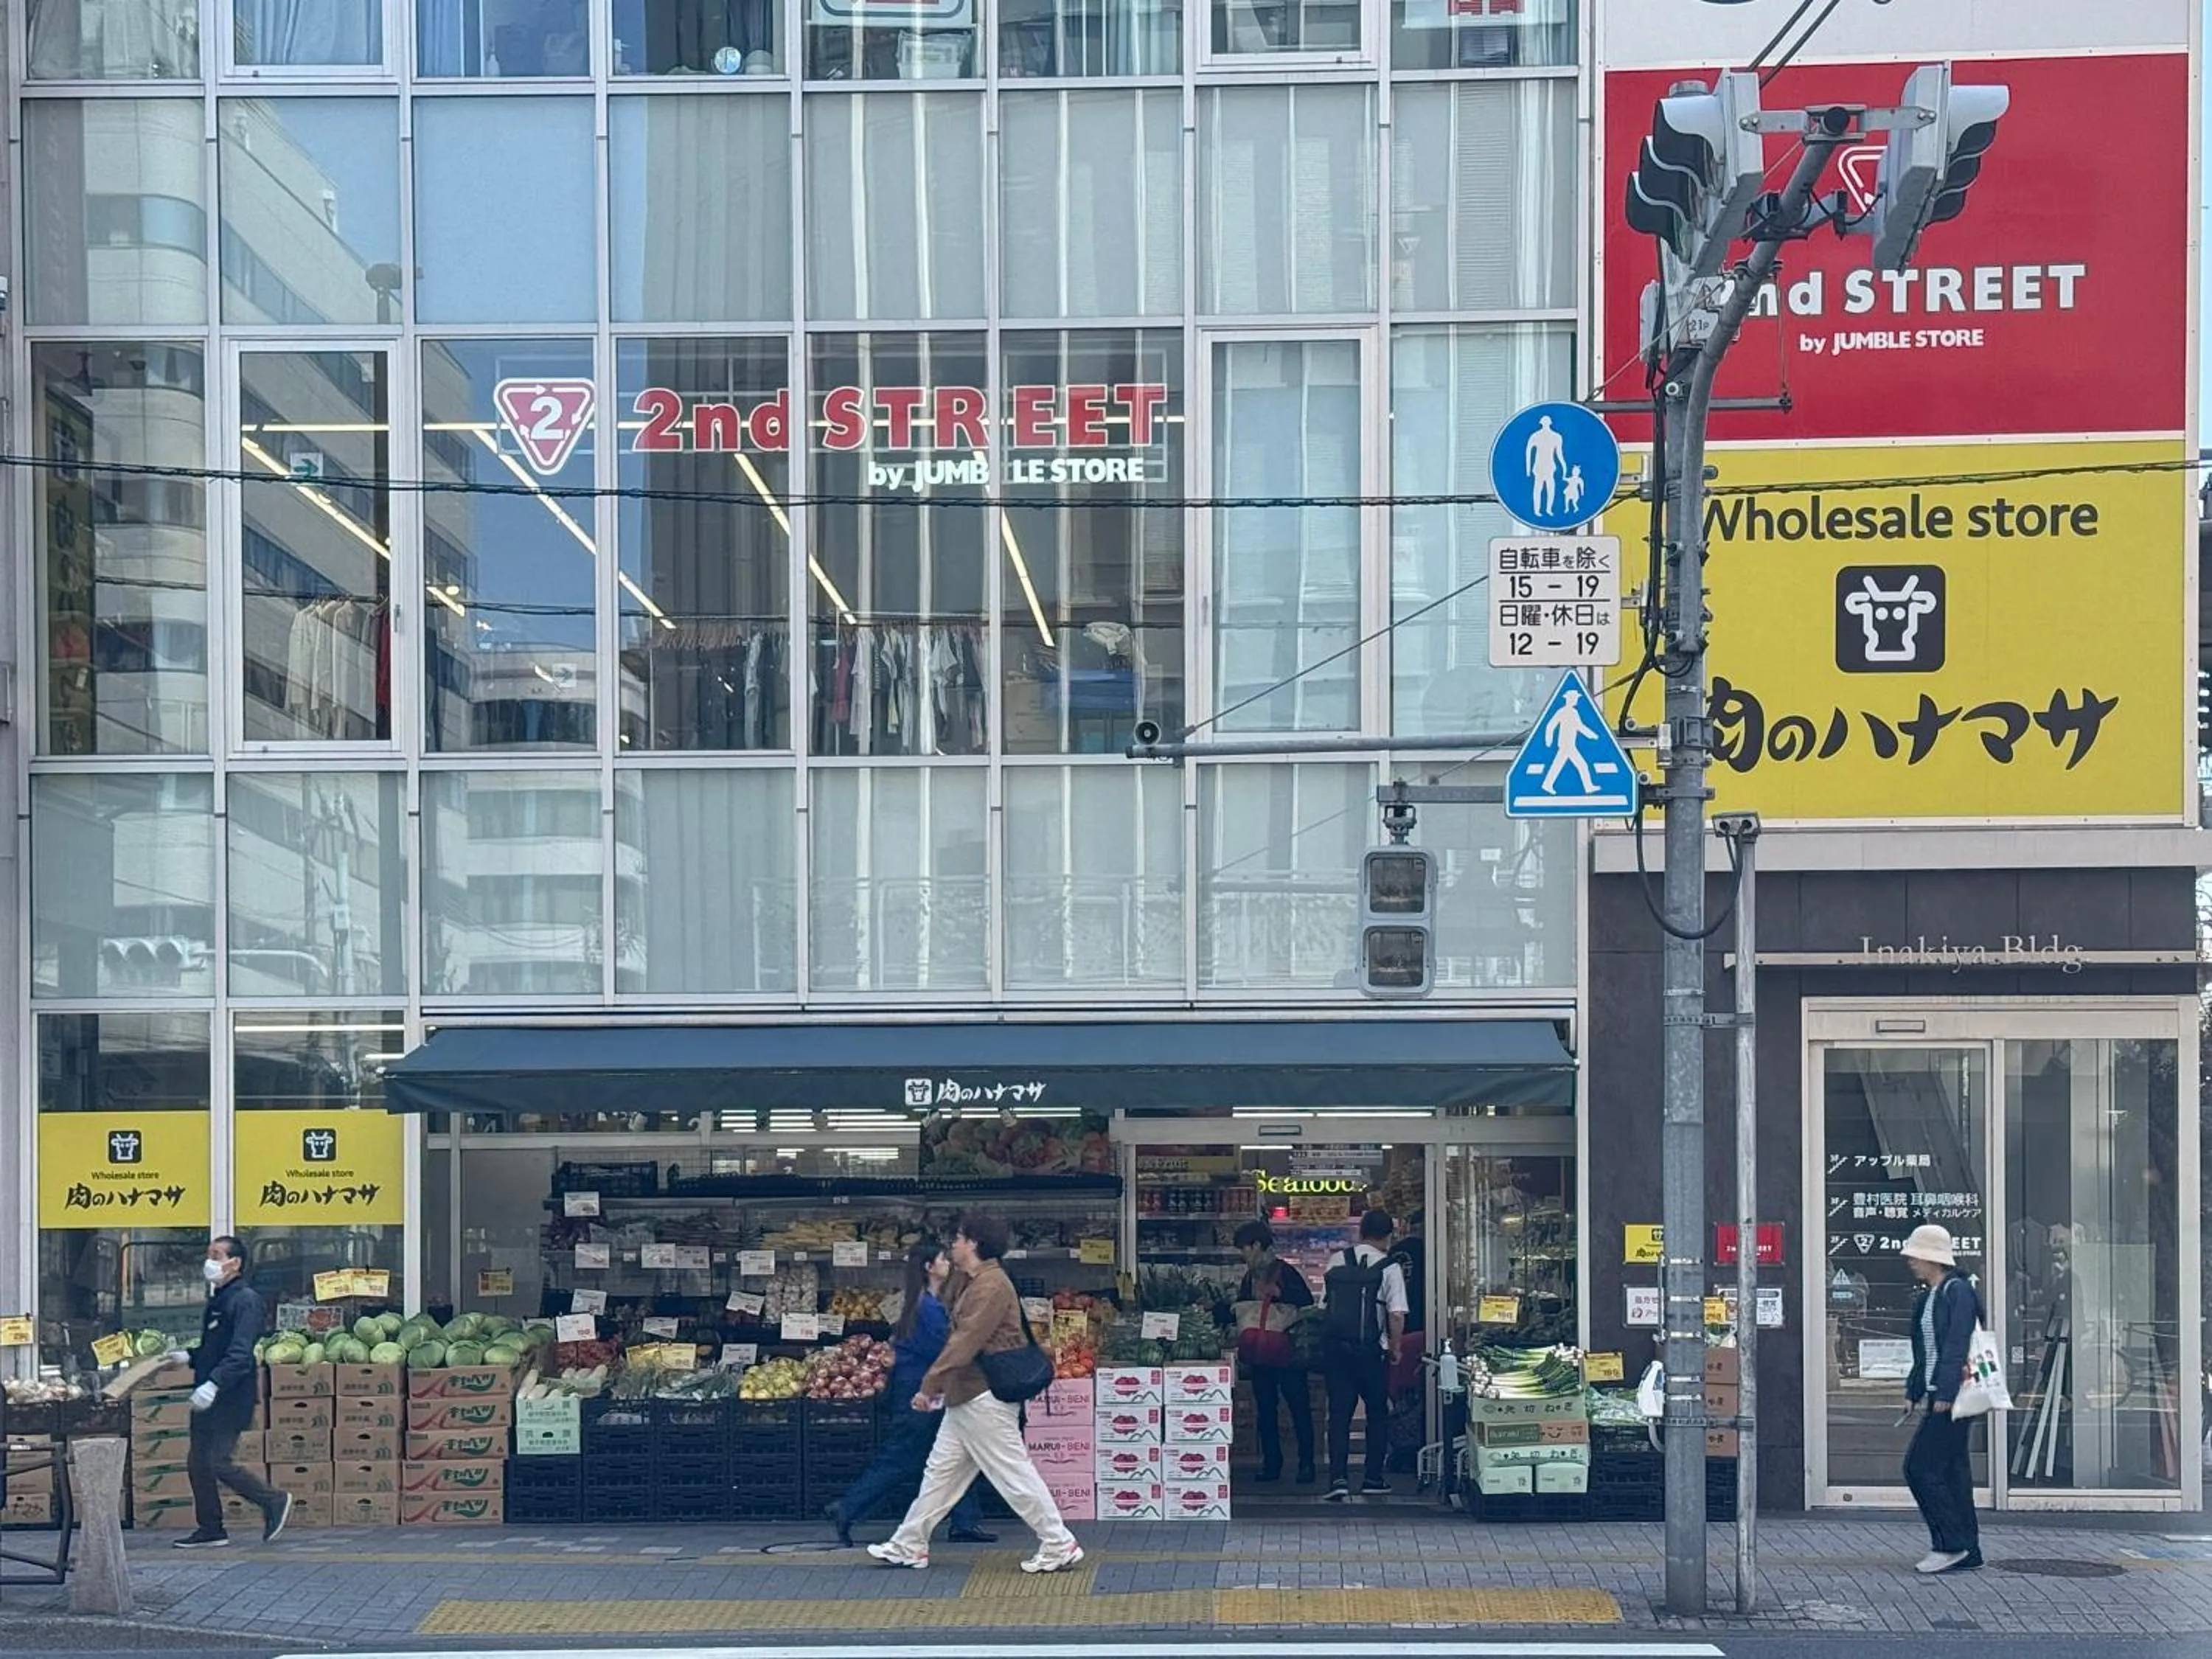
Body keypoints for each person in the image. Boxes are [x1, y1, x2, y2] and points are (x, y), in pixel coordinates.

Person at [867, 1213, 1082, 1574]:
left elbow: (965, 1341)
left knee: (1013, 1474)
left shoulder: (991, 1286)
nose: (953, 1245)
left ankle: (1059, 1542)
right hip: (966, 1395)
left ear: (975, 1244)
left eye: (960, 1239)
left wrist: (929, 1385)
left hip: (984, 1395)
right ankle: (909, 1543)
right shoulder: (972, 1280)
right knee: (940, 1473)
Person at [824, 1240, 995, 1547]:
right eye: (943, 1259)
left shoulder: (924, 1301)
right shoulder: (926, 1308)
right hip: (920, 1392)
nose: (949, 1263)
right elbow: (942, 1351)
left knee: (954, 1453)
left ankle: (965, 1521)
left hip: (924, 1388)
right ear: (929, 1267)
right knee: (905, 1457)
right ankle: (847, 1508)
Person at [175, 1237, 291, 1548]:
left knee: (217, 1462)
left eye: (217, 1255)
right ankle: (211, 1528)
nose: (209, 1261)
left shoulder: (245, 1300)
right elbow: (216, 1347)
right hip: (207, 1393)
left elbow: (240, 1353)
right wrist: (190, 1357)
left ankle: (273, 1500)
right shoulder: (219, 1299)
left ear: (235, 1263)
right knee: (197, 1462)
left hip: (229, 1396)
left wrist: (214, 1384)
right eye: (209, 1255)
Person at [1900, 1224, 1983, 1575]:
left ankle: (1950, 1544)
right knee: (1952, 1472)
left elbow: (1956, 1345)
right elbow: (1925, 1353)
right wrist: (1914, 1391)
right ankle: (1968, 1548)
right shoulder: (1929, 1296)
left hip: (1953, 1396)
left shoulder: (1957, 1291)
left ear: (1932, 1257)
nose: (1910, 1261)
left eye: (1915, 1254)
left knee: (1920, 1468)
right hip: (1941, 1393)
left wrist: (1945, 1393)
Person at [1319, 1208, 1408, 1502]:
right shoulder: (1390, 1267)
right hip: (1372, 1352)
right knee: (1377, 1415)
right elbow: (1396, 1315)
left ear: (1360, 1233)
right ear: (1388, 1236)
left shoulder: (1337, 1261)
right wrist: (1395, 1349)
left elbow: (1324, 1308)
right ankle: (1372, 1478)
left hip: (1337, 1351)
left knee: (1340, 1416)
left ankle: (1338, 1480)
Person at [1231, 1220, 1315, 1484]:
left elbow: (1306, 1304)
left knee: (1297, 1408)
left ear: (1257, 1245)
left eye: (1244, 1248)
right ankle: (1272, 1464)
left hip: (1286, 1354)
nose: (1243, 1254)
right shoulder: (1249, 1277)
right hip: (1261, 1354)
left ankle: (1306, 1464)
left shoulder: (1284, 1272)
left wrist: (1279, 1295)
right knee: (1266, 1410)